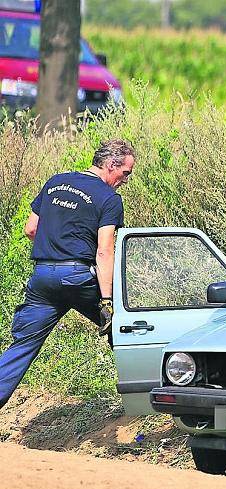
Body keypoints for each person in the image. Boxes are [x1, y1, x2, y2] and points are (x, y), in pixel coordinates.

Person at [0, 139, 134, 408]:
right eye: (125, 173)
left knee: (21, 349)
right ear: (111, 165)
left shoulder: (55, 182)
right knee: (126, 329)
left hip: (42, 278)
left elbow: (31, 229)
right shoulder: (109, 199)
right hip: (77, 278)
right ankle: (154, 395)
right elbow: (105, 252)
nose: (125, 180)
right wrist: (107, 302)